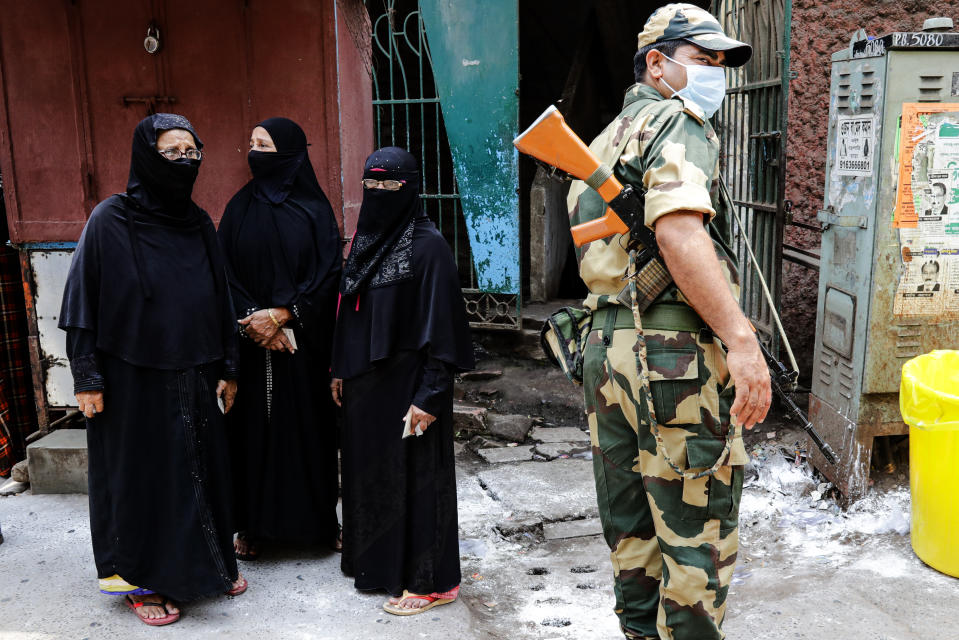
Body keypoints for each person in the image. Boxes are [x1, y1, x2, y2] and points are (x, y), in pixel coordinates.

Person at [566, 5, 771, 639]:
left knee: (633, 533)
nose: (716, 75)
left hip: (608, 348)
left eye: (720, 64)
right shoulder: (678, 124)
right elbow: (679, 231)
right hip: (672, 354)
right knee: (695, 534)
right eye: (704, 60)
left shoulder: (605, 137)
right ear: (658, 63)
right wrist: (741, 339)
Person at [59, 113, 246, 626]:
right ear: (146, 155)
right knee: (140, 480)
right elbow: (81, 305)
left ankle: (204, 568)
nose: (185, 161)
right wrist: (87, 377)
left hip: (194, 371)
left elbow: (219, 297)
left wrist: (229, 366)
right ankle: (141, 583)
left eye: (192, 152)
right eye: (172, 152)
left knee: (198, 473)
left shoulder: (199, 222)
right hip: (128, 379)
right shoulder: (109, 220)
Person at [330, 147, 474, 616]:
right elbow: (350, 313)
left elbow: (444, 332)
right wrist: (340, 367)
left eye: (390, 186)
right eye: (371, 186)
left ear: (410, 188)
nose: (379, 195)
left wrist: (430, 397)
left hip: (411, 386)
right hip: (366, 385)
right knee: (370, 476)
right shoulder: (367, 240)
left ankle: (432, 582)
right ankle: (376, 566)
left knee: (418, 481)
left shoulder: (428, 246)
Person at [218, 117, 342, 559]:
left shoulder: (314, 209)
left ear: (289, 152)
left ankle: (319, 526)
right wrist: (256, 321)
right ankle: (253, 527)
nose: (254, 152)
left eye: (264, 144)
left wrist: (286, 313)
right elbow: (223, 273)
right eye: (251, 143)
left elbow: (329, 274)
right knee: (253, 434)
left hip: (304, 347)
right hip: (252, 345)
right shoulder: (239, 207)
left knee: (309, 431)